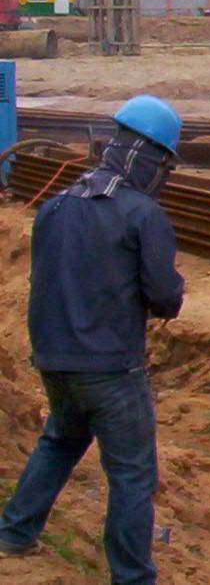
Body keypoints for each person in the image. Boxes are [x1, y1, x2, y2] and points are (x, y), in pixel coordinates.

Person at [0, 95, 185, 584]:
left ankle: (15, 535)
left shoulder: (56, 206)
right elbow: (164, 297)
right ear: (151, 159)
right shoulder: (142, 213)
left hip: (54, 359)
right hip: (111, 368)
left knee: (60, 441)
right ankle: (132, 577)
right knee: (132, 475)